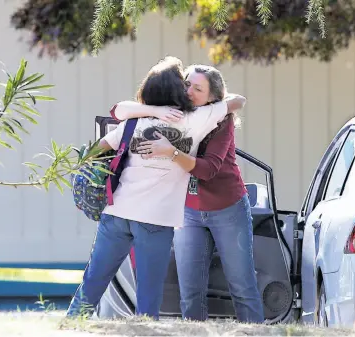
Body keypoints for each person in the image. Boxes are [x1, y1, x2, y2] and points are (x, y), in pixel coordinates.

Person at [66, 56, 246, 320]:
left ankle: (71, 325)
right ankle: (144, 330)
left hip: (117, 213)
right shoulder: (196, 118)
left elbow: (99, 146)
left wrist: (150, 112)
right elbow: (237, 102)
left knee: (93, 281)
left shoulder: (133, 122)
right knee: (148, 295)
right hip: (155, 219)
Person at [135, 64, 265, 323]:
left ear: (213, 97)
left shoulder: (221, 121)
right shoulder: (173, 114)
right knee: (190, 293)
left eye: (198, 88)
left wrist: (170, 152)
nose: (190, 92)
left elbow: (207, 170)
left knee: (242, 288)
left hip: (227, 209)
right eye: (187, 85)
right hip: (189, 211)